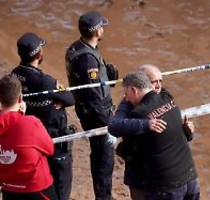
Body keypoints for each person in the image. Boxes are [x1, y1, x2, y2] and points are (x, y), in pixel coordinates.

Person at [109, 72, 200, 200]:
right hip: (190, 178)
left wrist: (120, 149)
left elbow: (116, 130)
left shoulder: (138, 114)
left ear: (134, 90)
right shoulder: (167, 98)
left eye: (126, 94)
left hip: (167, 186)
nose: (126, 99)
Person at [11, 32, 75, 200]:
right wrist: (58, 101)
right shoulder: (46, 81)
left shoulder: (14, 75)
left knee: (42, 181)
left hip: (30, 138)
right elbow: (70, 98)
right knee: (62, 180)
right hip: (52, 138)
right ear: (39, 54)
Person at [65, 11, 118, 200]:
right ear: (96, 31)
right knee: (104, 158)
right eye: (101, 26)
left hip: (88, 111)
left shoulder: (78, 47)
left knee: (100, 154)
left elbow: (92, 87)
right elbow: (94, 96)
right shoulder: (87, 59)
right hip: (96, 116)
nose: (103, 29)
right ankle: (104, 197)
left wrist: (108, 77)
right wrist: (110, 123)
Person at [0, 75, 57, 200]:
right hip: (36, 187)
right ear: (20, 98)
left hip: (9, 187)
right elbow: (50, 149)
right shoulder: (31, 123)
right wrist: (22, 115)